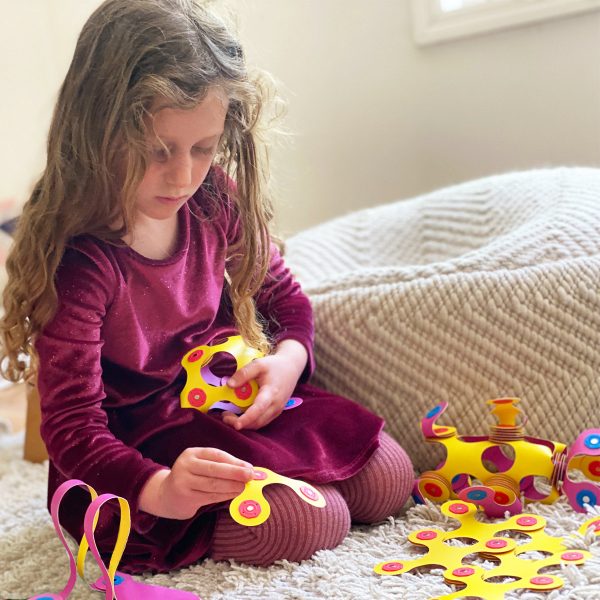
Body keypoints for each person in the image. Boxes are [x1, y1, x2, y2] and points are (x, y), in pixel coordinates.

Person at [0, 0, 414, 574]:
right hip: (138, 450)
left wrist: (287, 363)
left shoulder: (213, 197)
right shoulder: (82, 263)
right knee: (310, 520)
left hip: (223, 405)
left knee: (389, 475)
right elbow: (72, 428)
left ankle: (287, 481)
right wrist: (161, 490)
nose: (183, 176)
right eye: (157, 151)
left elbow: (285, 301)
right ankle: (229, 511)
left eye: (203, 148)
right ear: (96, 132)